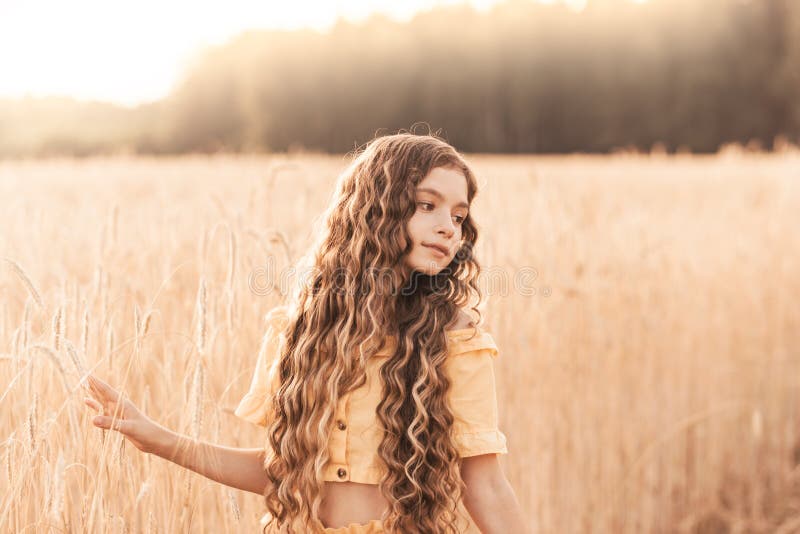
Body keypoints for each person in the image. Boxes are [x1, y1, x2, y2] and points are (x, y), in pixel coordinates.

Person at [82, 133, 529, 534]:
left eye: (459, 215)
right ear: (378, 208)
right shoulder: (298, 332)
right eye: (426, 205)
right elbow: (280, 471)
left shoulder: (456, 339)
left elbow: (485, 486)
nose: (448, 227)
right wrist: (156, 438)